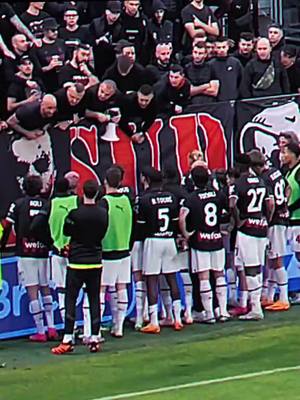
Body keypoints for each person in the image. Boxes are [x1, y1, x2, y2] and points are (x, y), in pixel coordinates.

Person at [51, 180, 108, 354]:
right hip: (95, 261)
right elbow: (102, 233)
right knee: (93, 299)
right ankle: (94, 337)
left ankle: (68, 338)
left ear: (83, 192)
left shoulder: (75, 213)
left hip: (77, 262)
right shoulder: (103, 213)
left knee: (70, 298)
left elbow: (67, 231)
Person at [1, 175, 57, 342]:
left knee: (33, 290)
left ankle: (40, 331)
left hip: (25, 252)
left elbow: (8, 225)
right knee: (45, 287)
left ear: (24, 188)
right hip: (43, 251)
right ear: (40, 188)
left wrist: (2, 246)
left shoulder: (18, 204)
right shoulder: (47, 204)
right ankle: (52, 327)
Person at [180, 166, 230, 323]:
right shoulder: (218, 195)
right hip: (216, 239)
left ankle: (208, 314)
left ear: (193, 180)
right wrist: (227, 228)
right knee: (219, 274)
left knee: (203, 277)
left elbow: (182, 218)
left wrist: (186, 234)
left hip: (200, 241)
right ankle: (223, 311)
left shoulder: (191, 198)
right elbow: (229, 210)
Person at [137, 167, 183, 333]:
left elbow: (140, 226)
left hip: (153, 240)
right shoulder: (171, 197)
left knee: (152, 279)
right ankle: (177, 319)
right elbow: (176, 221)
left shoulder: (144, 199)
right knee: (172, 278)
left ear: (147, 180)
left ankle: (154, 321)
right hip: (169, 239)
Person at [229, 154, 272, 320]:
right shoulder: (261, 181)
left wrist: (238, 221)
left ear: (240, 166)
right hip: (261, 226)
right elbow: (270, 204)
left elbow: (232, 204)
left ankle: (255, 308)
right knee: (258, 267)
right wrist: (266, 219)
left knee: (250, 268)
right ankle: (254, 304)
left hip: (247, 229)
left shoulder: (238, 184)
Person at [31, 178, 80, 325]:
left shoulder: (51, 204)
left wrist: (50, 241)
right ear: (68, 188)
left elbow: (35, 226)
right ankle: (87, 328)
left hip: (58, 252)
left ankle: (69, 326)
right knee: (83, 288)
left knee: (62, 290)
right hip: (77, 252)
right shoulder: (77, 201)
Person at [249, 149, 289, 311]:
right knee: (272, 258)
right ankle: (270, 296)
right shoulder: (276, 172)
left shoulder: (264, 178)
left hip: (275, 222)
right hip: (283, 217)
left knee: (277, 259)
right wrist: (285, 203)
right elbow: (288, 188)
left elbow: (270, 202)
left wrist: (268, 217)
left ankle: (284, 297)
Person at [99, 167, 133, 338]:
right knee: (121, 287)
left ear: (105, 181)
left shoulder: (104, 202)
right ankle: (118, 326)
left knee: (101, 289)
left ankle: (96, 328)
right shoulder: (126, 200)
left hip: (108, 251)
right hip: (124, 250)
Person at [29, 17, 66, 93]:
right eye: (53, 30)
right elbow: (36, 70)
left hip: (62, 79)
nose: (56, 32)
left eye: (56, 30)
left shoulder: (61, 43)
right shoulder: (37, 47)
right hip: (46, 82)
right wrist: (49, 67)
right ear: (45, 31)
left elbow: (68, 59)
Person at [89, 0, 122, 79]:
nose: (115, 16)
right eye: (113, 13)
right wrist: (98, 41)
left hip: (113, 56)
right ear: (107, 12)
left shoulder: (121, 24)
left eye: (117, 13)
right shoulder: (96, 23)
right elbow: (89, 40)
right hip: (98, 56)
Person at [209, 36, 243, 101]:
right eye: (219, 47)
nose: (221, 50)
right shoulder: (210, 65)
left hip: (235, 100)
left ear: (228, 47)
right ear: (215, 48)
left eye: (223, 47)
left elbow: (241, 81)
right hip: (217, 102)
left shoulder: (235, 62)